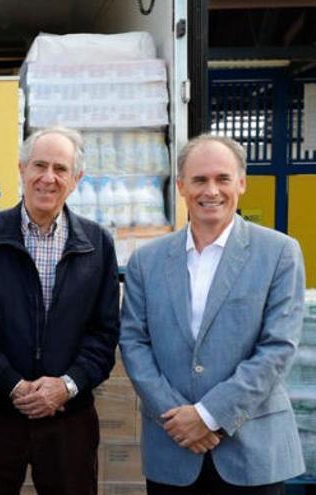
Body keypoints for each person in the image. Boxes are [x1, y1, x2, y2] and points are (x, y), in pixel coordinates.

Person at [120, 134, 305, 494]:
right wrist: (178, 418)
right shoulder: (147, 261)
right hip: (171, 448)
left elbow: (278, 347)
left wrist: (208, 416)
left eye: (222, 178)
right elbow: (134, 343)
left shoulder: (279, 252)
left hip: (252, 454)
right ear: (181, 186)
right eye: (200, 180)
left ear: (242, 182)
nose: (212, 190)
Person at [0, 126, 120, 495]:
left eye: (61, 169)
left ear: (76, 179)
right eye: (39, 165)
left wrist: (65, 386)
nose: (49, 178)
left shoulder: (97, 244)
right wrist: (13, 385)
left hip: (69, 417)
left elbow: (104, 332)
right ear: (21, 169)